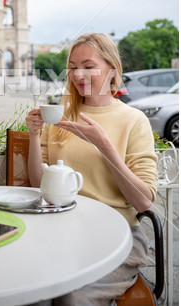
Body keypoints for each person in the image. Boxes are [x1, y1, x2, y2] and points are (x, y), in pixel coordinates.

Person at [26, 33, 158, 306]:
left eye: (88, 66)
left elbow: (143, 200)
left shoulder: (134, 120)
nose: (77, 74)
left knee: (75, 298)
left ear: (112, 70)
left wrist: (104, 147)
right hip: (62, 230)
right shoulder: (62, 116)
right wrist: (34, 136)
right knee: (35, 293)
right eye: (73, 67)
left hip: (118, 236)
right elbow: (40, 186)